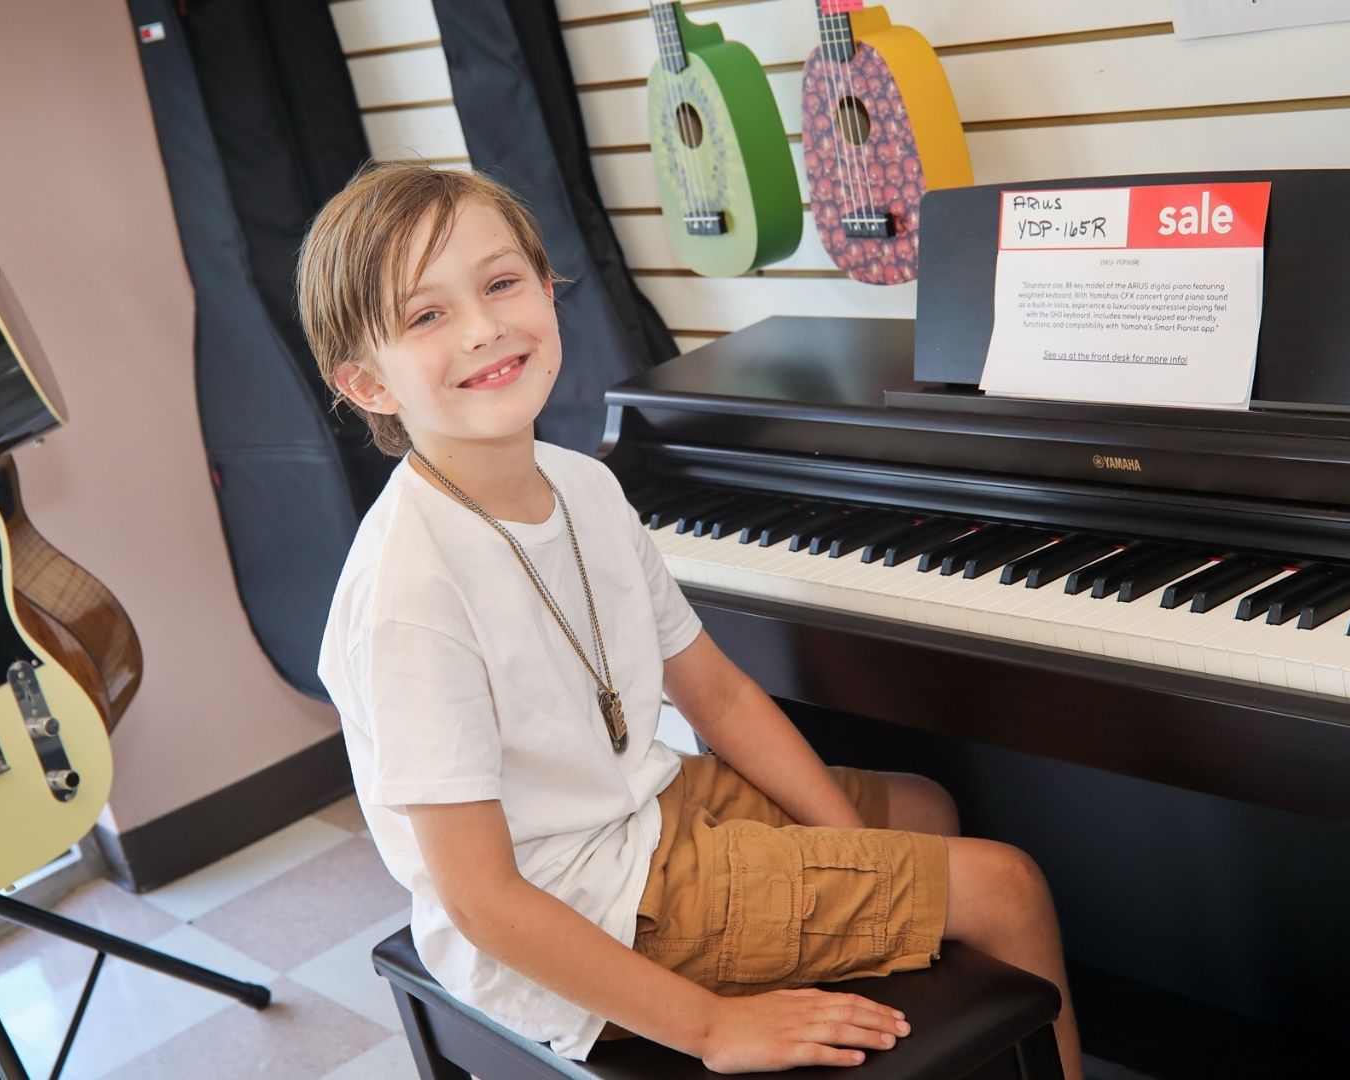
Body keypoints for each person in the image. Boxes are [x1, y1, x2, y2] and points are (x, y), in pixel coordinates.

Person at [303, 160, 1081, 1076]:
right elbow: (483, 901)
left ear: (548, 288)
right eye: (427, 316)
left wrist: (862, 855)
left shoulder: (584, 483)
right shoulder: (409, 593)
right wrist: (713, 1028)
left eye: (502, 282)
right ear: (369, 386)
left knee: (922, 808)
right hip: (578, 903)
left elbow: (718, 694)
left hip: (645, 814)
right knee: (1008, 889)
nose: (484, 328)